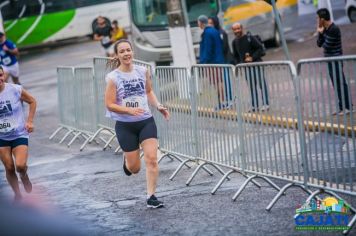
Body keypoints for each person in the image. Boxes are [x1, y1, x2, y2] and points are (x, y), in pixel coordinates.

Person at [104, 39, 170, 208]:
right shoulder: (113, 77)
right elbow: (109, 104)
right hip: (125, 125)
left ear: (133, 52)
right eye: (122, 51)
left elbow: (148, 91)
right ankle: (127, 163)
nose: (126, 53)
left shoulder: (142, 71)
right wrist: (128, 111)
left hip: (146, 121)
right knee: (135, 169)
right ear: (117, 55)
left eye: (128, 50)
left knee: (152, 159)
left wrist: (159, 105)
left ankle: (151, 197)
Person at [0, 65, 37, 202]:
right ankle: (17, 194)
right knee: (9, 167)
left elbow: (32, 101)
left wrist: (30, 121)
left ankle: (24, 175)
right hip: (1, 137)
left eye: (1, 75)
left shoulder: (15, 89)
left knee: (20, 166)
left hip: (18, 133)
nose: (0, 79)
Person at [316, 8, 351, 115]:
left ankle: (348, 107)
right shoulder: (325, 29)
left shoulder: (334, 29)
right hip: (330, 61)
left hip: (336, 60)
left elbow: (326, 46)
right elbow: (318, 44)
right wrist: (320, 33)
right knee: (336, 84)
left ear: (322, 19)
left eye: (317, 18)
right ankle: (342, 107)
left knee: (341, 83)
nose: (317, 20)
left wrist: (321, 33)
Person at [231, 22, 270, 112]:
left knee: (261, 84)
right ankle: (254, 105)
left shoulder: (250, 38)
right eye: (235, 29)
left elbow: (260, 48)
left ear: (242, 28)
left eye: (238, 28)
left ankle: (266, 103)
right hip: (246, 68)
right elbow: (235, 56)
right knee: (252, 87)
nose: (237, 31)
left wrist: (252, 58)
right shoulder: (234, 42)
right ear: (233, 31)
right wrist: (238, 65)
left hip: (257, 65)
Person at [197, 15, 226, 111]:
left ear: (201, 22)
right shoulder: (214, 31)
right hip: (218, 60)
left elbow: (208, 49)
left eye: (198, 22)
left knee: (217, 83)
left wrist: (203, 62)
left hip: (213, 62)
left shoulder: (207, 33)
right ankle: (223, 102)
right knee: (219, 82)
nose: (198, 24)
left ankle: (222, 103)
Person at [208, 16, 234, 108]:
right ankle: (222, 102)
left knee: (226, 82)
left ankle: (230, 100)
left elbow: (224, 47)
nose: (209, 25)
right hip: (216, 62)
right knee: (218, 83)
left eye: (211, 23)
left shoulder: (221, 33)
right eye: (208, 23)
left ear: (216, 23)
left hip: (224, 61)